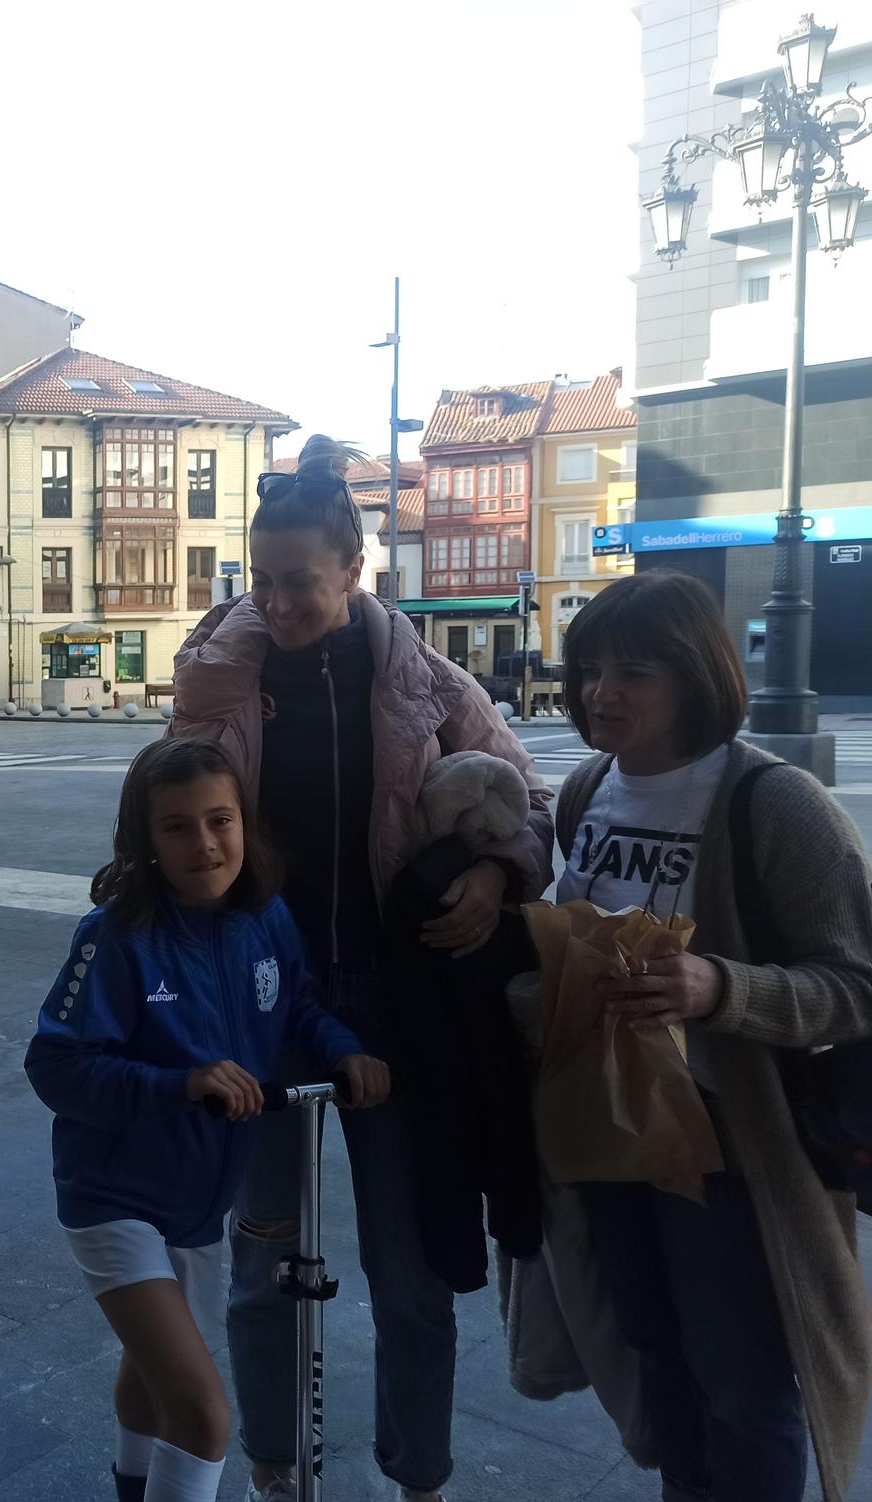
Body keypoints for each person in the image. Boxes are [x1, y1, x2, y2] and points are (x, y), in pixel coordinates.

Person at [170, 435, 552, 1502]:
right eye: (263, 580)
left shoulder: (426, 682)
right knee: (260, 1266)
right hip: (257, 1000)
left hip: (396, 1005)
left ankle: (416, 1477)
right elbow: (167, 803)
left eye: (301, 580)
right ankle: (272, 1470)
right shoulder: (217, 674)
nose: (281, 603)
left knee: (410, 1269)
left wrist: (495, 869)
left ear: (351, 571)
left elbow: (528, 801)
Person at [552, 570, 872, 1502]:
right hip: (612, 1124)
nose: (600, 695)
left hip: (734, 1145)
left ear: (696, 677)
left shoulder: (772, 803)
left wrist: (719, 986)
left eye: (633, 674)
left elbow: (856, 989)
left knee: (742, 1383)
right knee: (658, 1358)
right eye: (590, 672)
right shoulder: (586, 791)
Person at [25, 737, 390, 1502]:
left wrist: (345, 1051)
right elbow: (55, 1066)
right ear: (144, 840)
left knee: (153, 1375)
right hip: (115, 1199)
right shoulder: (116, 936)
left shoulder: (265, 918)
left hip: (199, 1205)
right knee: (201, 1413)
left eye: (220, 821)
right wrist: (180, 1084)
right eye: (177, 826)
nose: (204, 843)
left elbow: (294, 1009)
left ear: (246, 827)